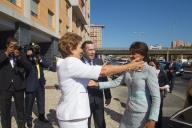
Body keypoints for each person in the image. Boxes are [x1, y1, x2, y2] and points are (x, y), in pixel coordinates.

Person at [56, 32, 144, 128]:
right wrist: (129, 66)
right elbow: (103, 71)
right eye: (79, 47)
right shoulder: (71, 63)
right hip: (73, 116)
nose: (81, 50)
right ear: (70, 48)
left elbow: (102, 76)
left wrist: (106, 94)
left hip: (75, 114)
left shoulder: (68, 63)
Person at [89, 41, 161, 128]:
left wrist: (152, 119)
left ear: (143, 55)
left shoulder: (149, 70)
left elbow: (156, 97)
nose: (131, 56)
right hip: (128, 110)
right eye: (130, 53)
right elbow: (115, 82)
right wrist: (97, 84)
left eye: (134, 53)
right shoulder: (129, 68)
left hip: (142, 113)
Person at [0, 37, 31, 128]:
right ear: (7, 45)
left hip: (19, 87)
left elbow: (29, 67)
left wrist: (19, 57)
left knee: (21, 110)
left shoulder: (20, 54)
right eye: (11, 46)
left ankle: (21, 126)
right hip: (5, 87)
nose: (13, 48)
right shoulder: (2, 53)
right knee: (5, 112)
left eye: (15, 46)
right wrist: (6, 53)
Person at [81, 40, 112, 128]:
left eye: (94, 49)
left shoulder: (99, 61)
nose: (93, 52)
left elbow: (104, 79)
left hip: (98, 98)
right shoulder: (78, 63)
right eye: (90, 50)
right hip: (84, 100)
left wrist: (108, 95)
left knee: (100, 123)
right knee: (85, 124)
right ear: (83, 50)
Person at [25, 43, 50, 128]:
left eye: (37, 48)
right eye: (34, 48)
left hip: (40, 83)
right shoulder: (27, 58)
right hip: (31, 83)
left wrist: (40, 59)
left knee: (41, 101)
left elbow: (47, 64)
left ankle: (41, 116)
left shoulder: (40, 56)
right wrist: (28, 54)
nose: (36, 50)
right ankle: (28, 119)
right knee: (29, 103)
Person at [149, 60, 170, 128]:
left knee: (158, 112)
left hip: (158, 95)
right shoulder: (147, 73)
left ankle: (158, 126)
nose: (150, 67)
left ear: (156, 65)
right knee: (149, 111)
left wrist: (161, 88)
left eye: (152, 65)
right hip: (148, 95)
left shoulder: (162, 73)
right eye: (149, 65)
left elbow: (167, 84)